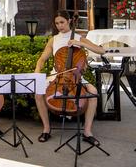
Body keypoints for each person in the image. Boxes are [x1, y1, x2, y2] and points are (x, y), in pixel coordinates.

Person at [34, 11, 105, 145]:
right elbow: (42, 58)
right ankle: (46, 129)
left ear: (69, 21)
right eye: (57, 23)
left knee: (93, 92)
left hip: (75, 76)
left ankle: (87, 132)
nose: (59, 26)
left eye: (62, 22)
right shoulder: (53, 39)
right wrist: (37, 70)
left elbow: (101, 51)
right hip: (57, 75)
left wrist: (81, 44)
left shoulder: (78, 37)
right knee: (38, 93)